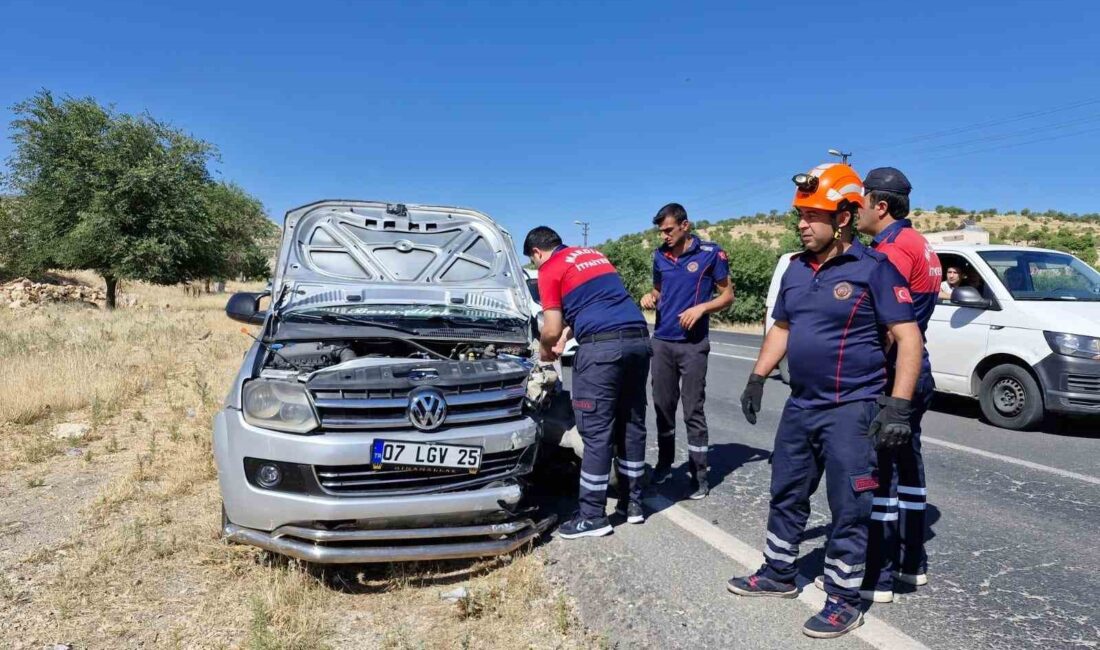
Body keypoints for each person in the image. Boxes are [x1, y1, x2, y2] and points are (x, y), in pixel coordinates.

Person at [728, 163, 925, 639]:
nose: (802, 224)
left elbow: (908, 338)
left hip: (852, 408)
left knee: (849, 504)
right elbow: (783, 327)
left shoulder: (874, 268)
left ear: (842, 218)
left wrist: (897, 407)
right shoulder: (795, 270)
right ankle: (778, 572)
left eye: (812, 215)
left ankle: (843, 598)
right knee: (787, 490)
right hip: (801, 405)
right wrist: (757, 375)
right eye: (799, 214)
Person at [847, 166, 942, 602]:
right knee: (910, 467)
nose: (855, 209)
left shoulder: (892, 252)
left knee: (880, 472)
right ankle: (910, 563)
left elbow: (892, 326)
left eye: (860, 200)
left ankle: (878, 575)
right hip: (918, 370)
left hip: (893, 375)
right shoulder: (919, 243)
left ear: (879, 206)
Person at [524, 226, 652, 538]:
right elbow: (597, 302)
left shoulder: (550, 268)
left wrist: (543, 356)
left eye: (534, 260)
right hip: (638, 339)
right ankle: (632, 504)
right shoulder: (594, 256)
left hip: (602, 350)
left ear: (536, 253)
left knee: (596, 433)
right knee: (631, 424)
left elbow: (551, 328)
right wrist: (571, 329)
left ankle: (592, 516)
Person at [639, 203, 734, 499]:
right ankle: (665, 464)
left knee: (693, 409)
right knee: (663, 409)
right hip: (663, 343)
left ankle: (699, 474)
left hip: (693, 346)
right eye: (661, 231)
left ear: (685, 225)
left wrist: (702, 307)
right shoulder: (659, 255)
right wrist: (649, 296)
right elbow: (658, 290)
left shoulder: (710, 254)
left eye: (669, 229)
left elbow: (727, 295)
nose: (664, 235)